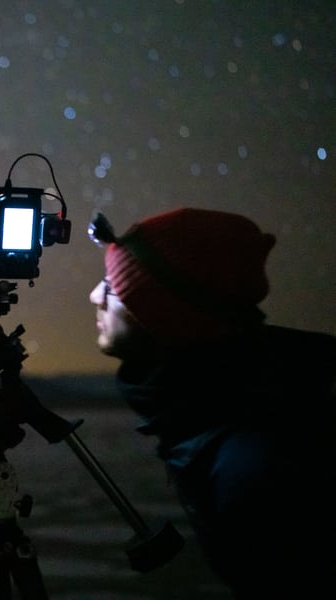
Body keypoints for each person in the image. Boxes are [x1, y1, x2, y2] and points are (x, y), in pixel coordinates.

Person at [86, 207, 336, 599]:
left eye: (112, 286)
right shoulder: (226, 396)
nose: (94, 296)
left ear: (165, 315)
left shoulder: (255, 466)